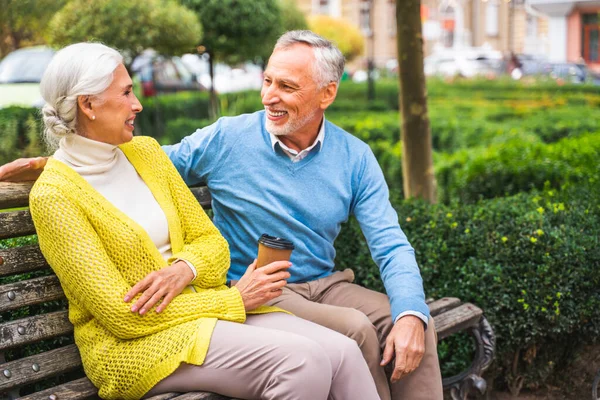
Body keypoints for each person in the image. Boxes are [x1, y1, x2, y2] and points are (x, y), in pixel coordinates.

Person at [1, 31, 443, 400]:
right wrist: (54, 162)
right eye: (268, 81)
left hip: (304, 288)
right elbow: (121, 311)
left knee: (405, 326)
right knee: (347, 337)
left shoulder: (145, 154)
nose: (269, 95)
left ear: (328, 93)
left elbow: (209, 240)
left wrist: (409, 312)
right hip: (201, 315)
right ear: (89, 105)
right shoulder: (221, 140)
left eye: (286, 86)